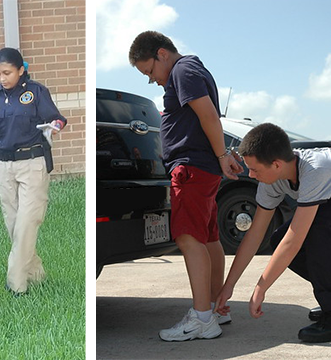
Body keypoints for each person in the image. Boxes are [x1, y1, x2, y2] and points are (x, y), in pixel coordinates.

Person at [215, 123, 331, 343]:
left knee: (316, 228)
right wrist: (228, 288)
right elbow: (255, 234)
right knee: (277, 239)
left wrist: (260, 288)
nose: (252, 176)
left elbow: (294, 240)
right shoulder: (272, 179)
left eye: (255, 170)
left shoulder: (314, 170)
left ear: (276, 164)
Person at [128, 31, 243, 342]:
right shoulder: (191, 70)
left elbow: (208, 115)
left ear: (162, 54)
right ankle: (217, 308)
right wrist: (221, 155)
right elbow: (204, 119)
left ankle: (202, 318)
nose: (152, 80)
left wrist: (222, 155)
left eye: (150, 71)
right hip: (201, 167)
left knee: (188, 238)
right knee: (207, 238)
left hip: (192, 169)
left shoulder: (182, 70)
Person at [0, 48, 65, 296]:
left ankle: (16, 284)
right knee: (13, 224)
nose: (2, 78)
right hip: (3, 165)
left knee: (28, 222)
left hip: (32, 162)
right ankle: (36, 274)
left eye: (7, 73)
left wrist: (55, 127)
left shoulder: (36, 91)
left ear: (20, 70)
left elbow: (57, 118)